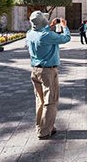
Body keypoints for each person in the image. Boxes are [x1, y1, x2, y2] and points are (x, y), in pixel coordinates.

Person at [26, 11, 71, 139]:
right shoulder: (46, 35)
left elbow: (42, 33)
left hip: (35, 70)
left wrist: (49, 26)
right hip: (47, 72)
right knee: (50, 100)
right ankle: (45, 131)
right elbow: (66, 38)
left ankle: (42, 126)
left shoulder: (30, 34)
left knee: (40, 100)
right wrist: (64, 26)